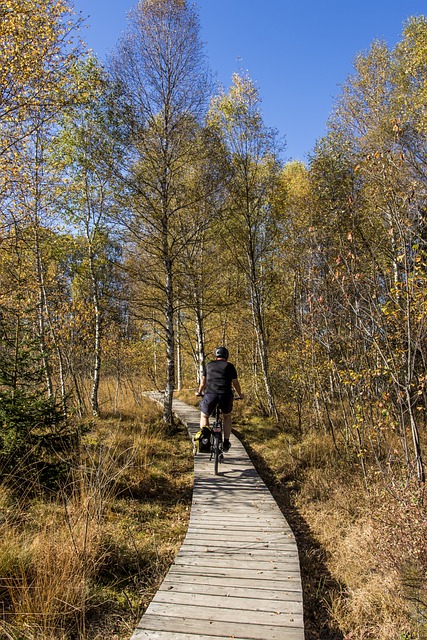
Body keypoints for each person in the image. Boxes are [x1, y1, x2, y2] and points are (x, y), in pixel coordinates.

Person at [195, 347, 243, 452]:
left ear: (216, 356)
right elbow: (235, 383)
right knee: (227, 416)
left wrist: (199, 392)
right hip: (225, 395)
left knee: (204, 415)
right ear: (226, 356)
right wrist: (240, 394)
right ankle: (226, 441)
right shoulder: (230, 366)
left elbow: (203, 383)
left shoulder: (208, 365)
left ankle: (205, 439)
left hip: (210, 394)